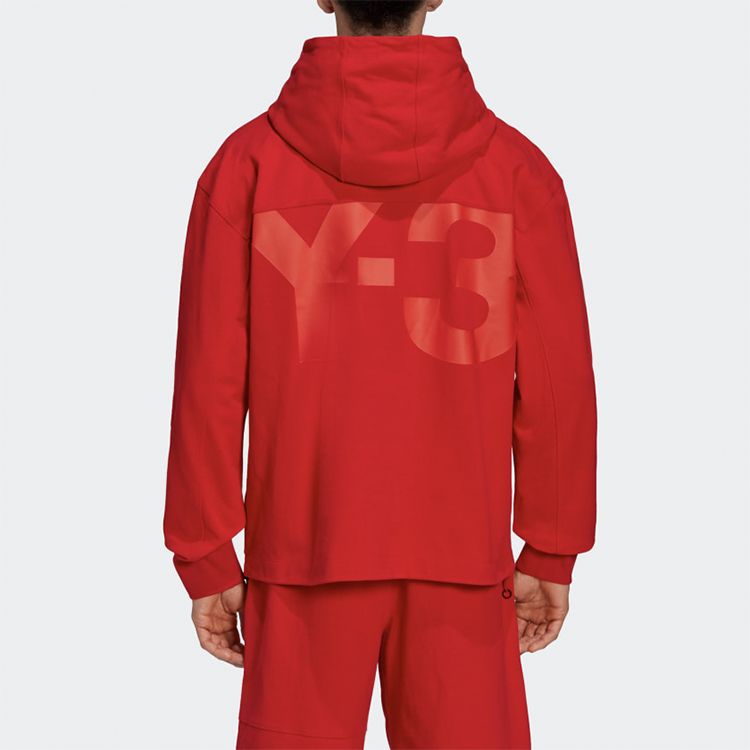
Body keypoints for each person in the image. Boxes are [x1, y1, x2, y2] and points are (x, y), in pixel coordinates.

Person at [163, 1, 598, 747]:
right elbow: (558, 382)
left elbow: (207, 377)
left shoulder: (245, 167)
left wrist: (206, 554)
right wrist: (551, 543)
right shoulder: (517, 170)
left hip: (302, 556)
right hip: (461, 560)